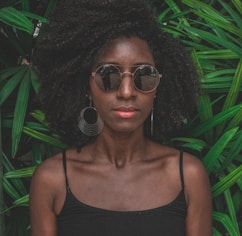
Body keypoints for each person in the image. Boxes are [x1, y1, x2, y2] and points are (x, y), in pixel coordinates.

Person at [29, 0, 212, 235]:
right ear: (86, 84)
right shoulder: (51, 180)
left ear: (158, 87)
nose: (127, 92)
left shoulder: (187, 176)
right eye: (108, 75)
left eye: (144, 76)